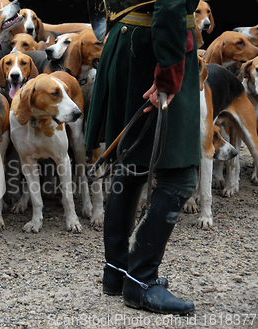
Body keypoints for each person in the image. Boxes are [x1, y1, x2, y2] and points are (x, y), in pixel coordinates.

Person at [84, 0, 200, 314]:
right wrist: (168, 76)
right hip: (154, 49)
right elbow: (172, 4)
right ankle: (141, 281)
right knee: (180, 176)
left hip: (130, 40)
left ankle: (118, 272)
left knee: (132, 162)